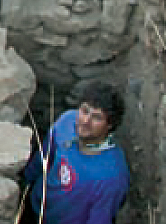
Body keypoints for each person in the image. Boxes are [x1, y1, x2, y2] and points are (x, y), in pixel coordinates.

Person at [21, 81, 130, 224]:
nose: (85, 121)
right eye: (84, 111)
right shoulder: (66, 122)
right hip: (35, 206)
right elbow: (43, 157)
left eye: (96, 117)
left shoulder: (111, 177)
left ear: (110, 125)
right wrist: (23, 184)